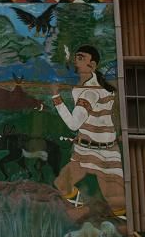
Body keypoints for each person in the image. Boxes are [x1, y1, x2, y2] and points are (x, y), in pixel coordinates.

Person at [51, 44, 126, 222]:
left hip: (104, 153)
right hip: (85, 150)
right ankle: (82, 210)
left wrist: (56, 96)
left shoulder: (89, 92)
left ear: (92, 65)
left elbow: (73, 124)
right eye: (76, 57)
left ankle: (113, 222)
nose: (75, 61)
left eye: (80, 58)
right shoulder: (94, 86)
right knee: (62, 183)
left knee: (116, 202)